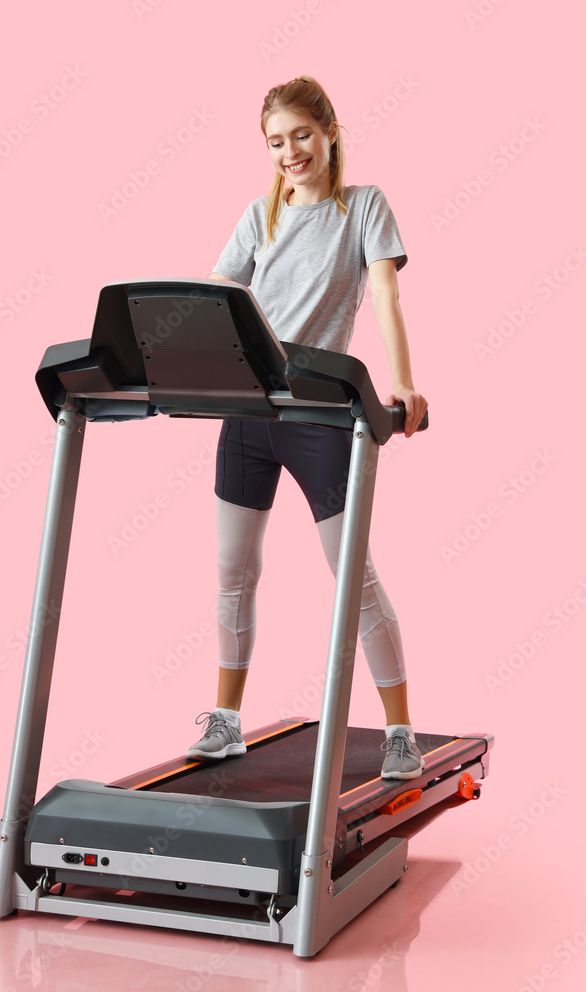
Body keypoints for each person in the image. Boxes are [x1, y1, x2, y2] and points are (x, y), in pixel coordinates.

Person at [187, 76, 428, 779]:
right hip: (247, 415)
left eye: (300, 134)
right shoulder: (257, 217)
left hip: (320, 416)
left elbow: (383, 290)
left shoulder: (362, 209)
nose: (289, 151)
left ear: (328, 131)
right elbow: (217, 295)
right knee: (234, 572)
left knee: (352, 576)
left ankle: (398, 731)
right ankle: (225, 722)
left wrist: (403, 381)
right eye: (274, 141)